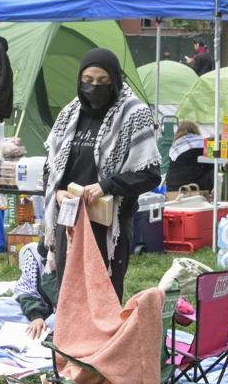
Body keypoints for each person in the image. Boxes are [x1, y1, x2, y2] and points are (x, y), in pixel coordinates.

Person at [41, 49, 160, 301]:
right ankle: (70, 337)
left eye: (103, 82)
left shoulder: (133, 114)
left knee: (103, 289)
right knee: (69, 287)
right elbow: (51, 166)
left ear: (115, 80)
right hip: (70, 217)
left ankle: (105, 339)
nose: (94, 87)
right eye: (88, 80)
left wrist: (106, 186)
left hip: (108, 219)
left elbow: (150, 174)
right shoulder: (69, 114)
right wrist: (58, 191)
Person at [15, 240, 58, 343]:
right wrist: (36, 317)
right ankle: (38, 327)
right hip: (40, 308)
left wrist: (50, 275)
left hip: (59, 313)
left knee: (59, 320)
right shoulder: (35, 256)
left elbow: (63, 302)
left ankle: (41, 329)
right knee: (1, 304)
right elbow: (26, 291)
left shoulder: (69, 261)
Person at [165, 118, 213, 193]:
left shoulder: (175, 147)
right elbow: (211, 165)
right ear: (196, 131)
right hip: (196, 187)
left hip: (172, 188)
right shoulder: (202, 143)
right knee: (214, 172)